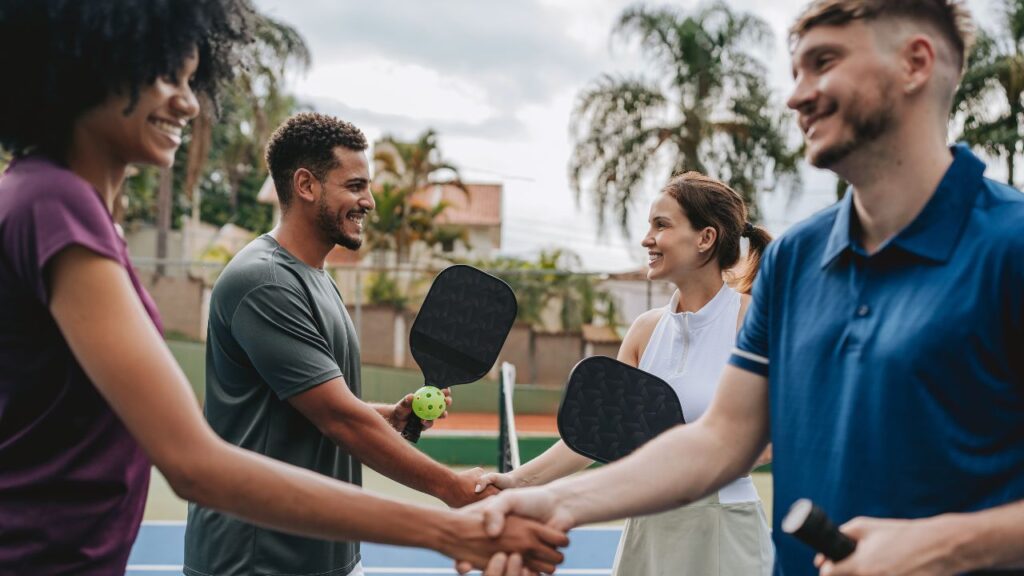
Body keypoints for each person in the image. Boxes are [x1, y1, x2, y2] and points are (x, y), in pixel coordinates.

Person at [0, 2, 566, 575]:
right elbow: (193, 459)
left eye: (191, 79)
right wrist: (448, 524)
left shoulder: (65, 206)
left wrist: (382, 419)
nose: (188, 101)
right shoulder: (56, 205)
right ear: (91, 64)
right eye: (166, 75)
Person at [466, 1, 1024, 575]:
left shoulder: (1013, 246)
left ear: (915, 63)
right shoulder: (795, 260)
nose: (796, 96)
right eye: (795, 73)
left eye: (823, 62)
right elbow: (719, 442)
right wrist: (546, 501)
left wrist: (941, 547)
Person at [183, 111, 508, 576]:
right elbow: (338, 418)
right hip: (258, 560)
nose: (369, 201)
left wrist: (391, 418)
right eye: (355, 186)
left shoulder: (315, 278)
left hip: (323, 555)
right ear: (306, 185)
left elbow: (322, 406)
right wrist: (451, 487)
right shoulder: (265, 282)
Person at [475, 171, 775, 575]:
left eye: (661, 225)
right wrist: (519, 482)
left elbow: (778, 436)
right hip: (647, 523)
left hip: (724, 527)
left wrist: (699, 468)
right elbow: (597, 435)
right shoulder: (644, 331)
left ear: (705, 238)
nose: (646, 238)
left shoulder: (754, 321)